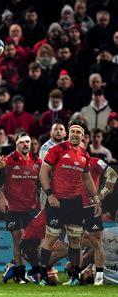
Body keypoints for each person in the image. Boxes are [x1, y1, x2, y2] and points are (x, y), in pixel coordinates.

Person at [38, 120, 102, 286]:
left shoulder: (84, 155)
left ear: (82, 136)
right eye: (72, 131)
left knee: (75, 240)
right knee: (50, 238)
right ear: (68, 133)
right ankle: (43, 275)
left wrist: (96, 200)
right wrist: (50, 195)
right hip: (56, 202)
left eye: (78, 132)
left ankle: (74, 277)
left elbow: (87, 179)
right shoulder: (56, 150)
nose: (75, 134)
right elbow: (43, 172)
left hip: (75, 203)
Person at [0, 133, 42, 283]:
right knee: (18, 239)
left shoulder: (37, 161)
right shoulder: (8, 161)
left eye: (28, 142)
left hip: (32, 208)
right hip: (13, 208)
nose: (26, 145)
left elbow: (43, 183)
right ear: (16, 144)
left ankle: (26, 269)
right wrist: (2, 198)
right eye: (22, 142)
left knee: (33, 242)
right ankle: (20, 273)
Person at [77, 145, 117, 285]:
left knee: (97, 242)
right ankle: (75, 277)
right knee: (76, 243)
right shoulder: (66, 164)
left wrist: (100, 195)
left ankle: (99, 277)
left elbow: (112, 175)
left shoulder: (95, 161)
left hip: (92, 208)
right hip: (74, 208)